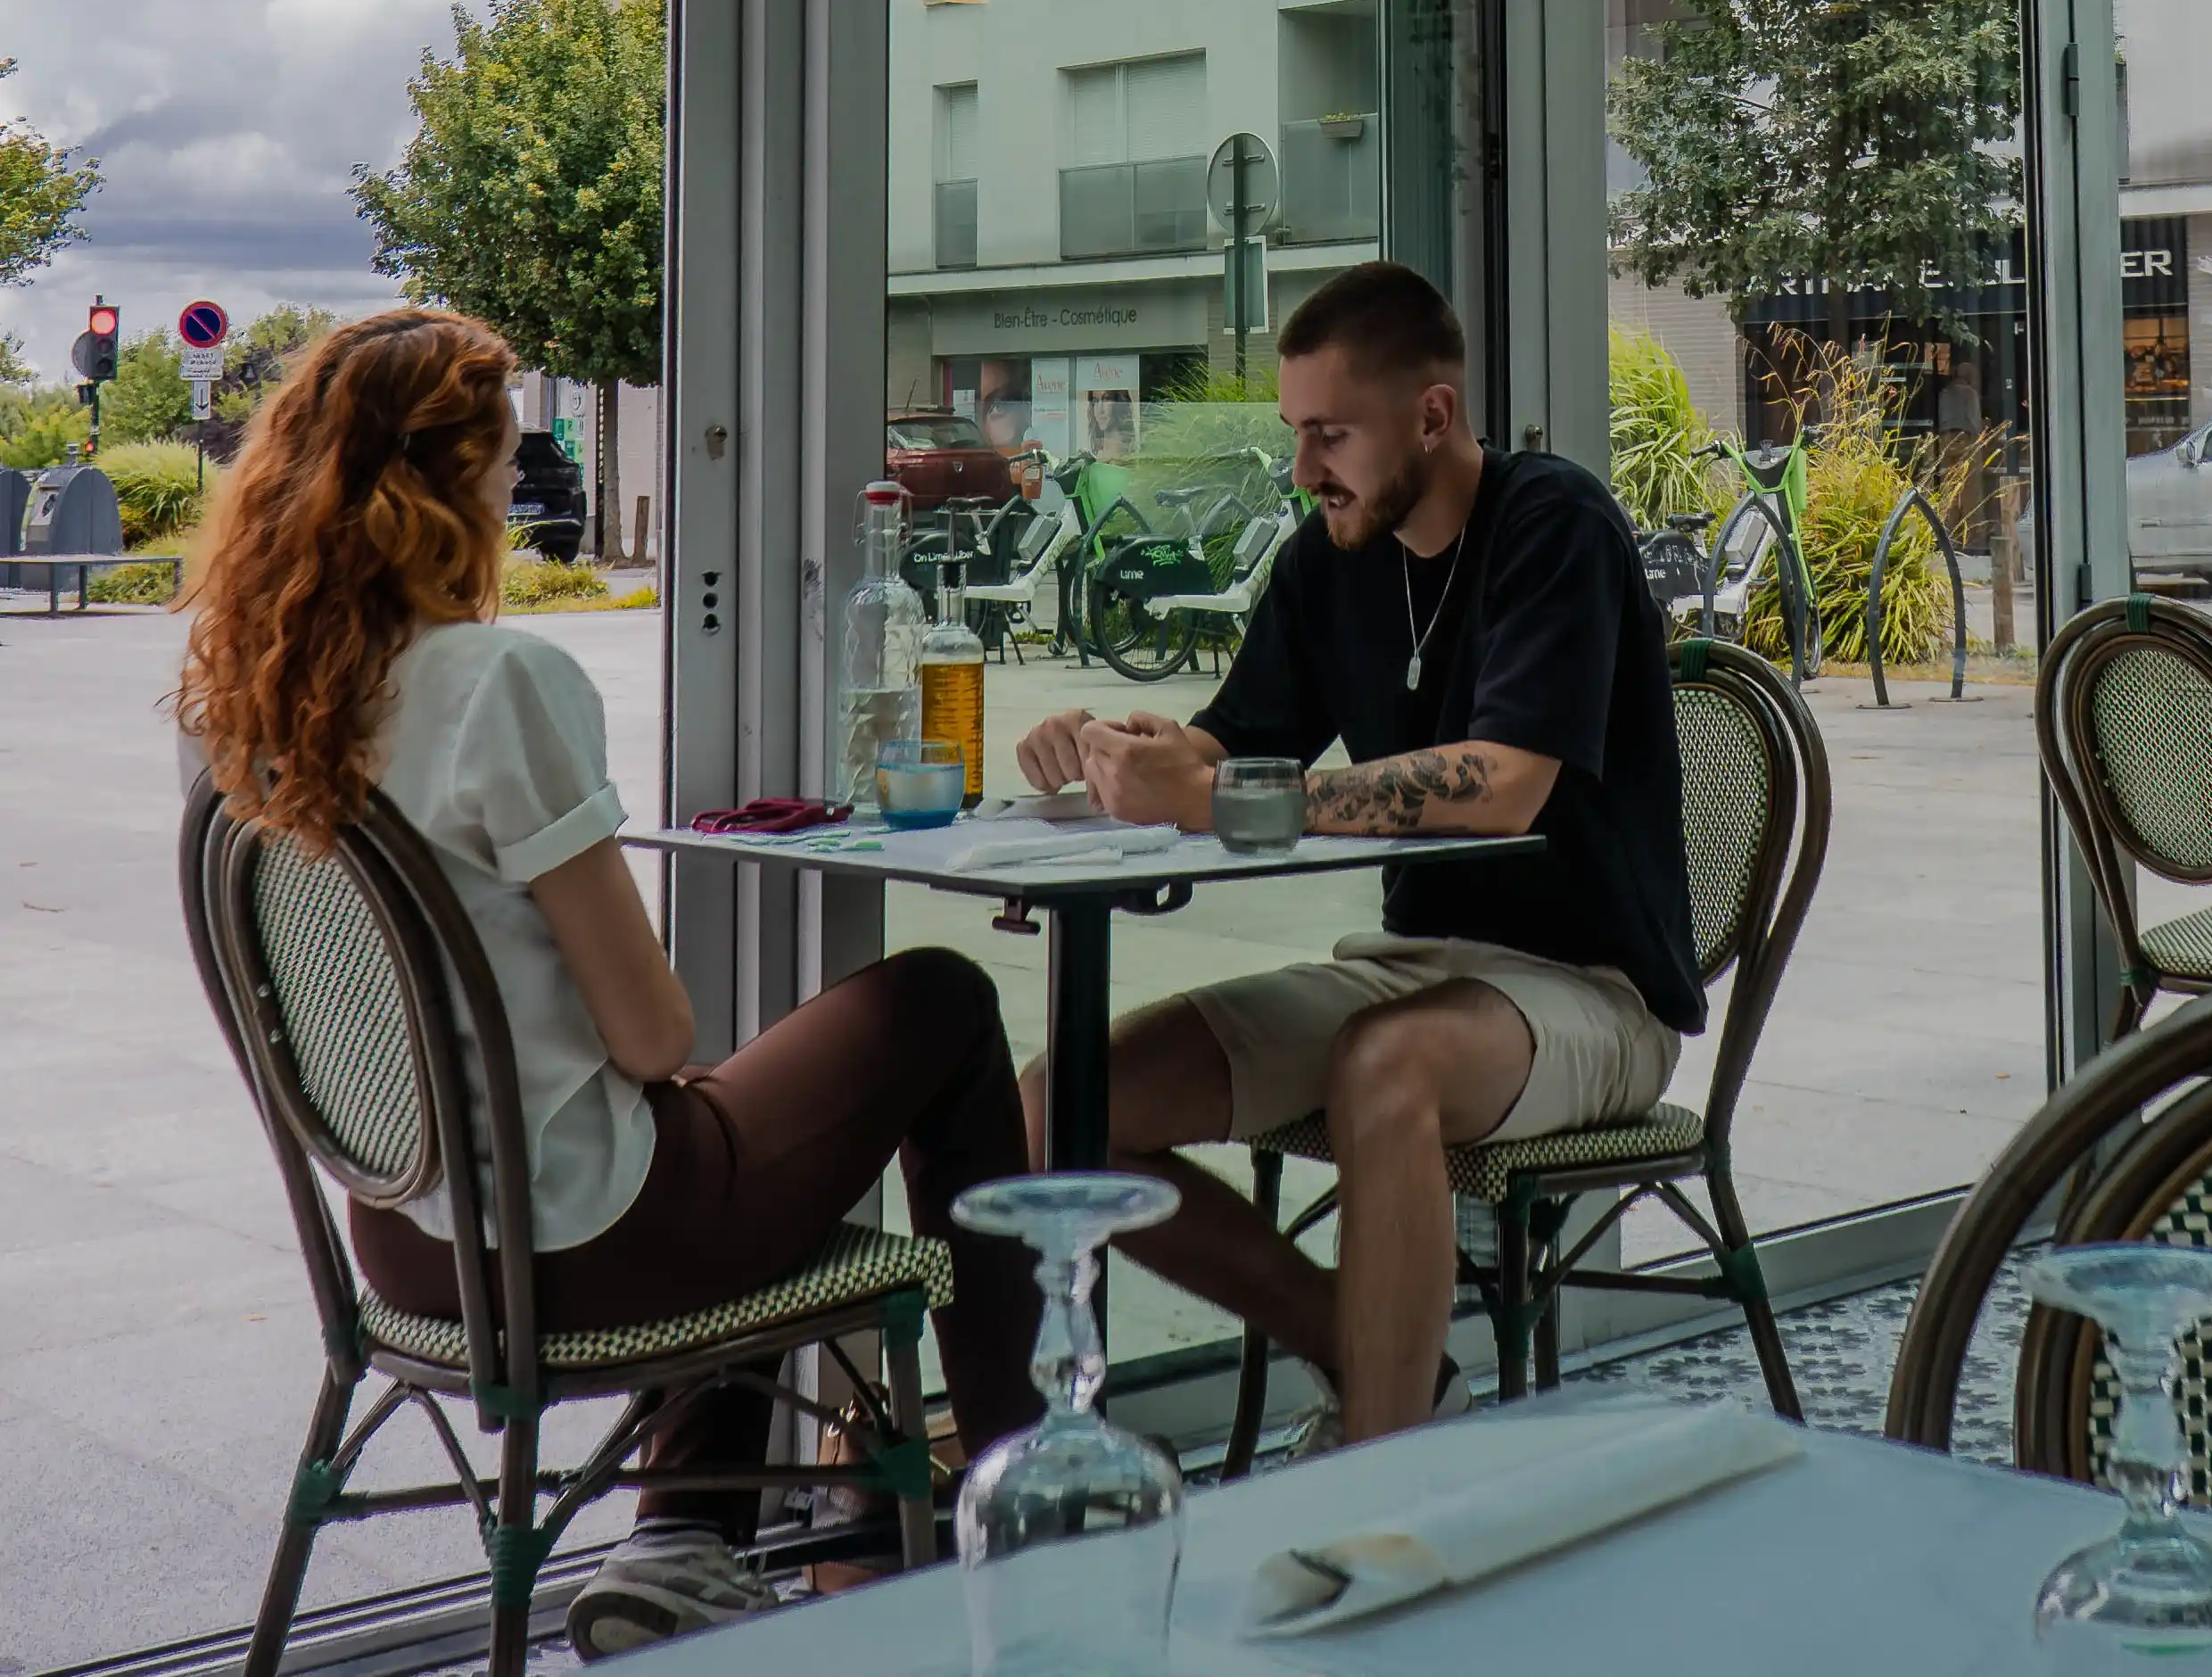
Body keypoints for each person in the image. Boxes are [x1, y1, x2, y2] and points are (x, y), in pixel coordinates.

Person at [178, 306, 1038, 1656]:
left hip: (406, 1243)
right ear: (449, 481)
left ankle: (686, 1538)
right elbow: (651, 1029)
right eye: (504, 463)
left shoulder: (237, 707)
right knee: (933, 1001)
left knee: (722, 1126)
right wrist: (659, 1065)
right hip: (581, 1249)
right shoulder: (494, 681)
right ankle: (1024, 1488)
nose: (514, 494)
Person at [1015, 260, 1704, 1446]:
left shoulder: (1554, 522)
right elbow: (1227, 745)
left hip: (1591, 993)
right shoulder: (1325, 558)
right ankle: (1371, 1355)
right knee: (1056, 1108)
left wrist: (1221, 793)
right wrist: (1112, 744)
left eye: (1329, 434)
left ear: (1431, 415)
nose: (1301, 470)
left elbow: (1501, 782)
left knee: (1384, 1066)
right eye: (1294, 434)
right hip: (1410, 964)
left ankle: (1382, 1471)